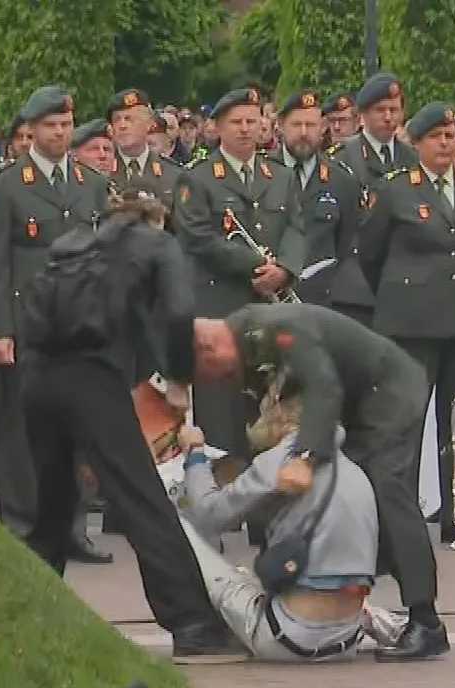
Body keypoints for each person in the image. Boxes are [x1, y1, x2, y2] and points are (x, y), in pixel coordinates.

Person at [19, 186, 241, 660]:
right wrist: (179, 374)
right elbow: (179, 312)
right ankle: (193, 623)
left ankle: (24, 610)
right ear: (157, 219)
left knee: (53, 508)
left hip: (38, 379)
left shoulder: (73, 244)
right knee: (142, 500)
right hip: (93, 380)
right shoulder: (158, 244)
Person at [192, 303, 450, 661]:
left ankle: (426, 621)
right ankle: (319, 589)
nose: (221, 380)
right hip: (359, 399)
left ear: (212, 348)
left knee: (385, 488)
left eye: (214, 372)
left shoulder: (278, 329)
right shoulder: (247, 335)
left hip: (389, 392)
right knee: (327, 496)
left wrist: (305, 457)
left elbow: (324, 387)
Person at [0, 85, 112, 562]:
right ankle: (19, 521)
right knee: (21, 426)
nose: (60, 132)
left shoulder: (92, 183)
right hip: (27, 322)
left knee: (75, 424)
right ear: (30, 129)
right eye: (51, 125)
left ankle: (70, 526)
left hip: (78, 324)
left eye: (66, 125)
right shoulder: (7, 183)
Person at [356, 101, 455, 543]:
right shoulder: (396, 189)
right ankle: (401, 518)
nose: (446, 143)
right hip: (411, 321)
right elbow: (370, 251)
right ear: (415, 143)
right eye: (436, 136)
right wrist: (401, 293)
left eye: (452, 136)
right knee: (406, 421)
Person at [173, 396, 404, 660]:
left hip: (288, 638)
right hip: (348, 640)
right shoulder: (355, 471)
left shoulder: (284, 459)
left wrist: (195, 454)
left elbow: (210, 513)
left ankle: (196, 631)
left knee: (176, 525)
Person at [171, 86, 305, 470]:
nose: (246, 129)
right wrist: (254, 265)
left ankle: (267, 514)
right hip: (221, 308)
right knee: (222, 416)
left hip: (270, 309)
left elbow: (297, 227)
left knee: (273, 413)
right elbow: (196, 236)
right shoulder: (197, 178)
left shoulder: (279, 176)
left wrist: (285, 269)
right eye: (237, 122)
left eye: (252, 120)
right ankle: (222, 504)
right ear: (216, 128)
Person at [326, 72, 418, 326]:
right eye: (380, 110)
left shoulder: (411, 159)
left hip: (401, 280)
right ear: (363, 115)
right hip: (355, 286)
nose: (388, 118)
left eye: (394, 110)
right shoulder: (343, 157)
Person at [270, 89, 363, 308]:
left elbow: (346, 243)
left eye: (311, 125)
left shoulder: (342, 181)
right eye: (297, 125)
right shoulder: (263, 173)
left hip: (321, 302)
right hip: (270, 301)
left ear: (322, 127)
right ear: (281, 125)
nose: (304, 132)